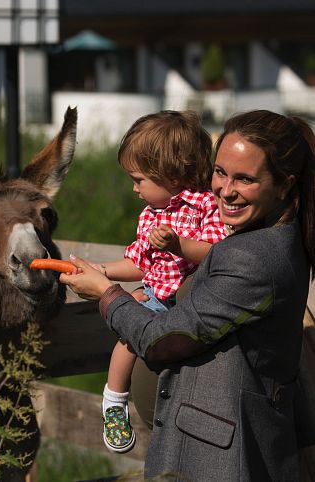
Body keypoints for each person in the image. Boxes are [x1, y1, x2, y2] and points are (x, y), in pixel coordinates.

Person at [60, 110, 315, 482]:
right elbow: (146, 262)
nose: (225, 190)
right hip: (200, 445)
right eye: (221, 171)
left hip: (216, 459)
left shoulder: (253, 257)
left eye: (245, 179)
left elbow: (161, 341)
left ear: (283, 185)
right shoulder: (257, 236)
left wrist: (106, 294)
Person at [90, 110, 227, 453]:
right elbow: (140, 263)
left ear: (171, 173)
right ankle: (114, 401)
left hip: (193, 304)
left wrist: (179, 245)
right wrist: (101, 271)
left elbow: (217, 252)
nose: (134, 189)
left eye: (138, 179)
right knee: (128, 339)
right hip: (156, 297)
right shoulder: (151, 213)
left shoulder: (205, 205)